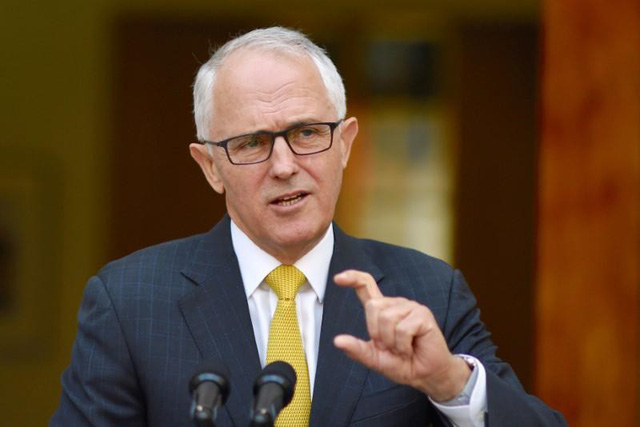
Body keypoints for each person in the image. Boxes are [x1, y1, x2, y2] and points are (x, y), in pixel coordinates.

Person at [51, 27, 566, 426]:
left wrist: (450, 382)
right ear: (210, 167)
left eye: (306, 133)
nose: (284, 166)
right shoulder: (130, 302)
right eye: (251, 143)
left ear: (345, 143)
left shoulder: (429, 292)